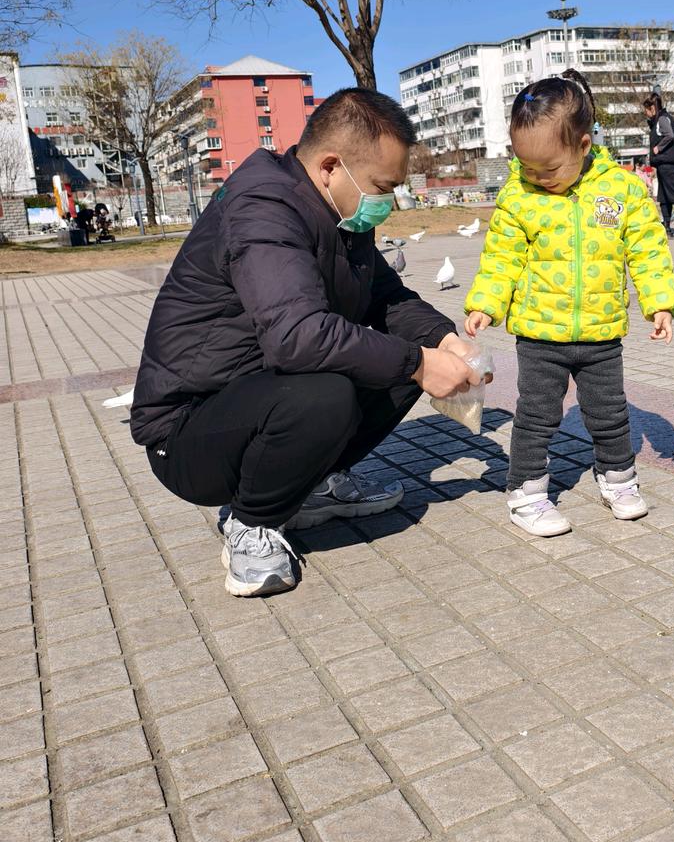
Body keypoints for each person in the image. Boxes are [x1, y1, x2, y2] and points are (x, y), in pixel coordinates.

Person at [130, 88, 485, 597]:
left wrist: (444, 342)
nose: (389, 203)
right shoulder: (263, 210)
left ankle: (314, 484)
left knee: (405, 360)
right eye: (383, 187)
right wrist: (418, 361)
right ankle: (251, 522)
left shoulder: (338, 214)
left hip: (259, 391)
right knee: (338, 390)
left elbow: (387, 298)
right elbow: (295, 337)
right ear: (330, 167)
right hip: (187, 431)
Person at [464, 69, 674, 537]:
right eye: (527, 167)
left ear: (583, 146)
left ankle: (618, 478)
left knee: (609, 412)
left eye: (548, 169)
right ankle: (526, 492)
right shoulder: (518, 197)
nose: (537, 178)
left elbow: (647, 249)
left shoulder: (622, 189)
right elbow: (501, 258)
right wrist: (485, 302)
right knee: (537, 415)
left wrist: (660, 303)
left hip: (602, 333)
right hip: (540, 334)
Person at [643, 92, 674, 238]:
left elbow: (669, 135)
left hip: (669, 163)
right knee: (663, 197)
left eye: (646, 109)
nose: (645, 113)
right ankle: (667, 224)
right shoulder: (657, 120)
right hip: (662, 164)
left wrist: (659, 147)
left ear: (652, 108)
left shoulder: (663, 119)